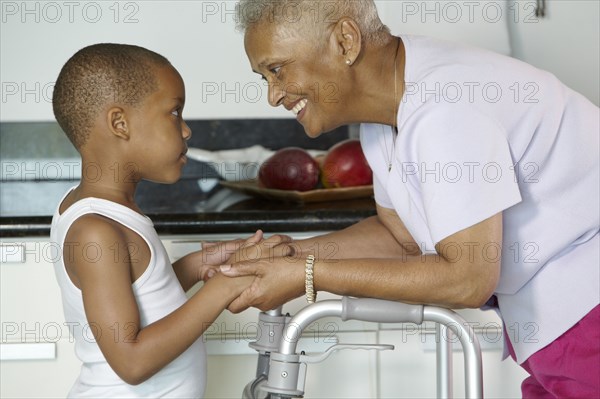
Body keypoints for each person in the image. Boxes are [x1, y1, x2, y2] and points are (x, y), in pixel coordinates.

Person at [220, 1, 600, 397]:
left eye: (277, 69)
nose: (273, 95)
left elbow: (467, 278)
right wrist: (289, 256)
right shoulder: (388, 110)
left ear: (345, 41)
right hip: (559, 324)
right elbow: (400, 236)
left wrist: (308, 276)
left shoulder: (444, 106)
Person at [50, 43, 288, 398]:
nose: (187, 130)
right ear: (120, 124)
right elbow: (132, 362)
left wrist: (198, 264)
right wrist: (223, 288)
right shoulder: (95, 232)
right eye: (175, 112)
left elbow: (138, 296)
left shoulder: (110, 213)